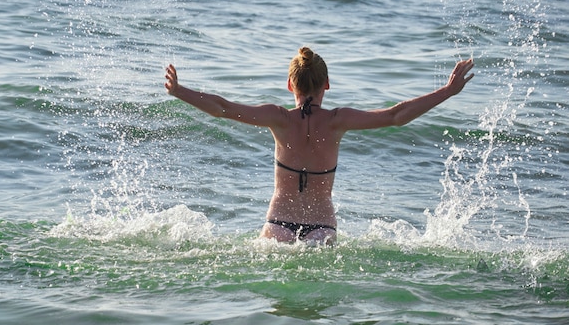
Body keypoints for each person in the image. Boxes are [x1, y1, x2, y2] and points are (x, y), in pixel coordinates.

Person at [163, 47, 474, 245]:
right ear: (326, 83)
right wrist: (447, 91)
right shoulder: (338, 121)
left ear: (289, 85)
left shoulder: (278, 118)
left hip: (277, 225)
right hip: (322, 227)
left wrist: (179, 91)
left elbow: (223, 108)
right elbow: (396, 116)